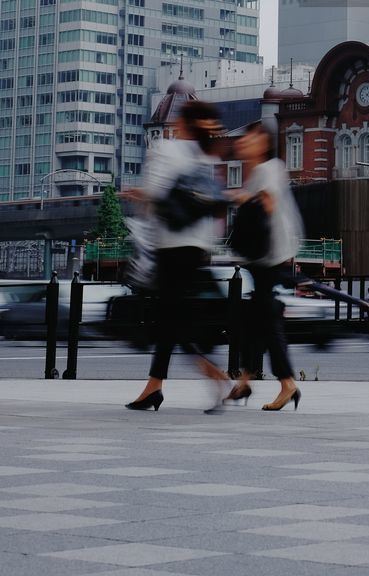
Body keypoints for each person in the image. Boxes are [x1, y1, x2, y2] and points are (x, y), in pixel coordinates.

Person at [124, 101, 231, 413]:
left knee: (171, 319)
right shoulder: (202, 157)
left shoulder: (165, 148)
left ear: (181, 122)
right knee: (171, 318)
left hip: (170, 245)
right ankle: (153, 387)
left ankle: (213, 373)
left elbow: (156, 191)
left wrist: (137, 194)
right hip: (198, 247)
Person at [225, 122, 304, 412]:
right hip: (267, 257)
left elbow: (267, 204)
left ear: (263, 142)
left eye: (250, 139)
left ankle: (286, 384)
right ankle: (246, 380)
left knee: (266, 323)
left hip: (267, 257)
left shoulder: (268, 169)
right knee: (258, 322)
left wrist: (241, 198)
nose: (244, 143)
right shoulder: (265, 170)